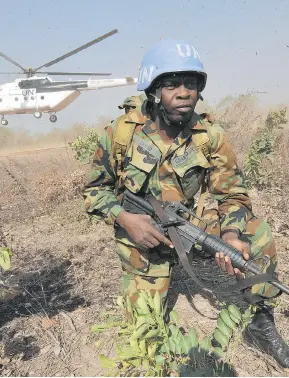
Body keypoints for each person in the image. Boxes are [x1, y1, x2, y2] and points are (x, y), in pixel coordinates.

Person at [83, 39, 289, 367]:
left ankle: (260, 323)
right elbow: (95, 191)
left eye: (190, 84)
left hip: (186, 224)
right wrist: (126, 219)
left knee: (256, 232)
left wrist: (233, 236)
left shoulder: (208, 135)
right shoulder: (121, 133)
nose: (183, 92)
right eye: (170, 84)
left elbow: (232, 193)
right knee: (147, 336)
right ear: (153, 90)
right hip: (144, 238)